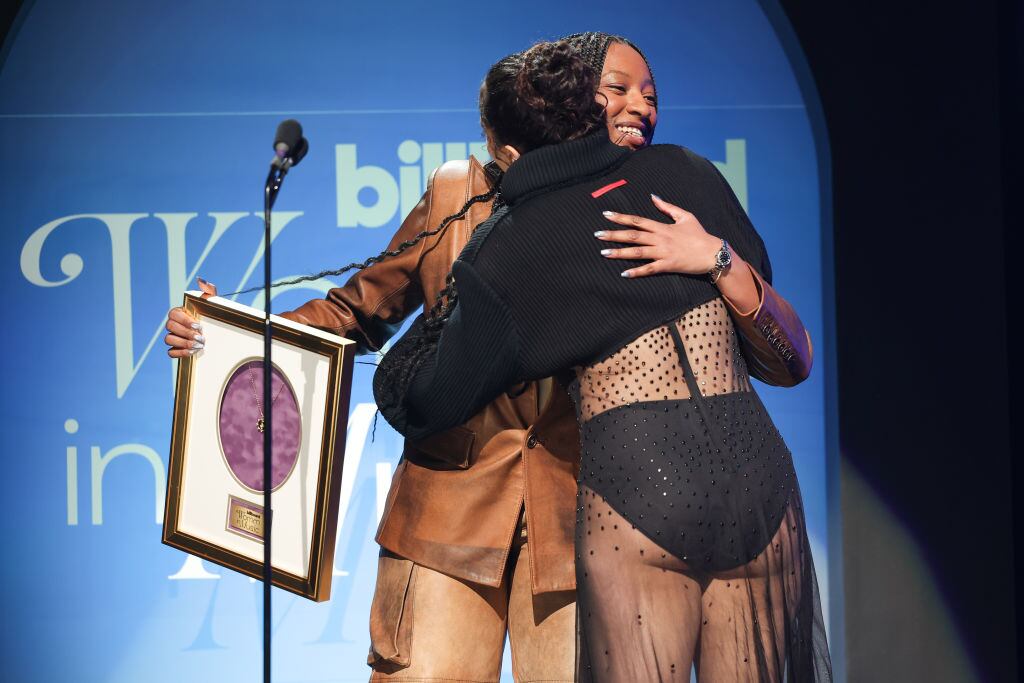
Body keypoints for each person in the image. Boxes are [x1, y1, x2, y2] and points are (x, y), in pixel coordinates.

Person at [373, 40, 832, 682]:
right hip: (762, 491)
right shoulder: (691, 174)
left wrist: (445, 305)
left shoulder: (516, 245)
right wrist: (718, 258)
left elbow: (424, 398)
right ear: (588, 108)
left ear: (506, 152)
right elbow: (794, 360)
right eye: (618, 90)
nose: (638, 105)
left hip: (637, 499)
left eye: (649, 92)